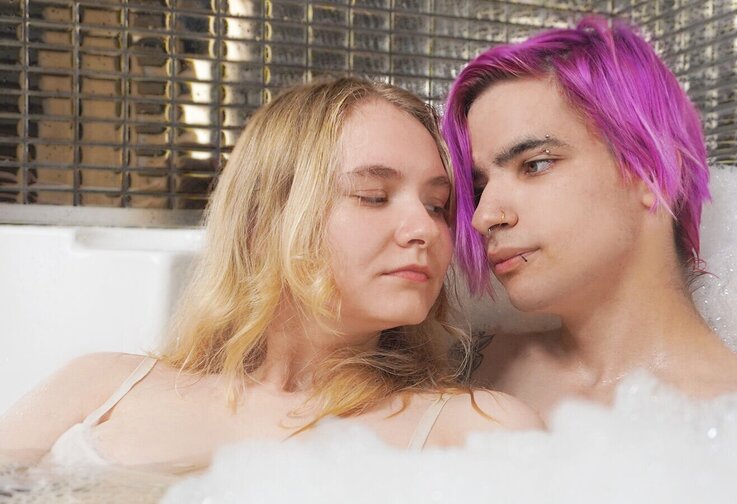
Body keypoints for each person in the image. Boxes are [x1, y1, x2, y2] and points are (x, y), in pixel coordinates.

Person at [0, 78, 542, 472]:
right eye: (373, 196)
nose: (425, 229)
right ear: (266, 217)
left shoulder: (476, 432)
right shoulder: (100, 388)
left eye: (437, 205)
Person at [442, 16, 737, 417]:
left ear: (652, 173)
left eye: (535, 165)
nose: (483, 217)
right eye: (479, 187)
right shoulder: (469, 366)